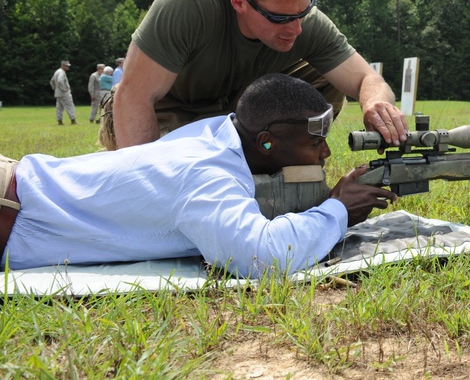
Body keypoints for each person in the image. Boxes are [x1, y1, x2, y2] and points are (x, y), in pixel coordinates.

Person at [0, 73, 397, 278]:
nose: (325, 152)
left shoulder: (214, 132)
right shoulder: (207, 175)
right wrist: (336, 211)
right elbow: (262, 257)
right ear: (267, 142)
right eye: (316, 143)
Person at [104, 0, 408, 151]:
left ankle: (282, 154)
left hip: (234, 113)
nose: (296, 28)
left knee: (317, 76)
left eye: (303, 11)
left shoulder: (302, 21)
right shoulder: (189, 4)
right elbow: (134, 97)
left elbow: (367, 77)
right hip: (169, 109)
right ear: (239, 2)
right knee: (189, 169)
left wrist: (374, 103)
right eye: (280, 18)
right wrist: (147, 181)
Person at [49, 60, 76, 125]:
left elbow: (51, 81)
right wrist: (64, 89)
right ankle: (73, 120)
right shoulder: (62, 72)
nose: (68, 67)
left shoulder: (57, 71)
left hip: (58, 93)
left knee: (59, 108)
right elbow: (60, 81)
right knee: (70, 106)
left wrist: (55, 88)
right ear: (62, 65)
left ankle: (59, 121)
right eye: (67, 66)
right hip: (64, 93)